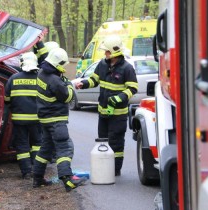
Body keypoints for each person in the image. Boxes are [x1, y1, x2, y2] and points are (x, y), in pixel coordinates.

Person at [75, 35, 138, 176]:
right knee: (103, 142)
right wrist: (83, 84)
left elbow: (133, 88)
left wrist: (119, 97)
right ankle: (104, 167)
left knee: (116, 144)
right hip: (103, 113)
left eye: (107, 52)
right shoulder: (102, 64)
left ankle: (115, 170)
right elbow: (94, 80)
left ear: (114, 52)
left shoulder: (127, 68)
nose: (105, 54)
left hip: (118, 115)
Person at [33, 47, 86, 192]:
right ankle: (67, 179)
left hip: (45, 119)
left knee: (45, 149)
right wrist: (68, 84)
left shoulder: (42, 74)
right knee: (65, 148)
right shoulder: (55, 80)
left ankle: (37, 179)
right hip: (57, 121)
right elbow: (68, 97)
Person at [4, 52, 42, 179]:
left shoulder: (13, 78)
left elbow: (6, 99)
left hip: (19, 120)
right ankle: (37, 169)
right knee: (37, 143)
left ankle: (26, 172)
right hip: (37, 120)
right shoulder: (40, 79)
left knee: (22, 145)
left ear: (22, 63)